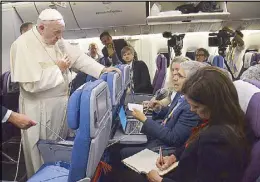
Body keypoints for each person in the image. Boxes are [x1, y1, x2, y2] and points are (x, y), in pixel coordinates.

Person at [9, 8, 120, 177]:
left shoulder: (56, 38)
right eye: (56, 33)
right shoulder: (22, 45)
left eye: (61, 32)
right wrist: (58, 69)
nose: (60, 37)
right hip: (39, 109)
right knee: (41, 153)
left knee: (58, 147)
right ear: (41, 28)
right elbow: (29, 85)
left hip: (60, 105)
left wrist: (102, 69)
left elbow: (78, 58)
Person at [121, 67, 253, 182]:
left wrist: (160, 181)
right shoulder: (222, 120)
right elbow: (192, 144)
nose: (192, 110)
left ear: (213, 105)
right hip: (180, 170)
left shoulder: (217, 139)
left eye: (196, 106)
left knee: (123, 173)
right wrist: (173, 157)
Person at [120, 61, 207, 159]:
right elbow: (173, 113)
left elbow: (174, 139)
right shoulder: (181, 94)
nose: (174, 78)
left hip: (165, 148)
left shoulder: (191, 107)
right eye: (175, 74)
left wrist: (144, 120)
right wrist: (158, 108)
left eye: (180, 76)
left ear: (192, 81)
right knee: (124, 142)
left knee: (123, 151)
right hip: (160, 136)